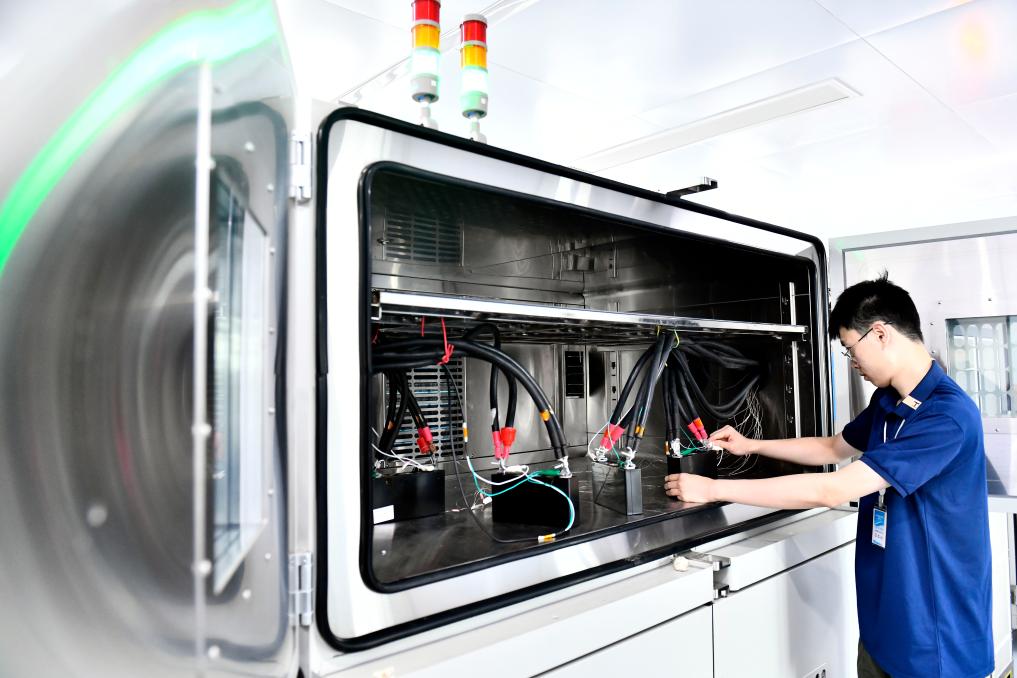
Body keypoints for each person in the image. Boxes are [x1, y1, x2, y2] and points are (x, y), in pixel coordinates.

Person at [663, 273, 992, 678]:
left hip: (937, 641)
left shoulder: (946, 416)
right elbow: (833, 448)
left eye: (851, 350)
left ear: (880, 334)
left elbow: (833, 488)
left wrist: (714, 489)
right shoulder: (889, 400)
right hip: (884, 627)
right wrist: (752, 445)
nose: (853, 364)